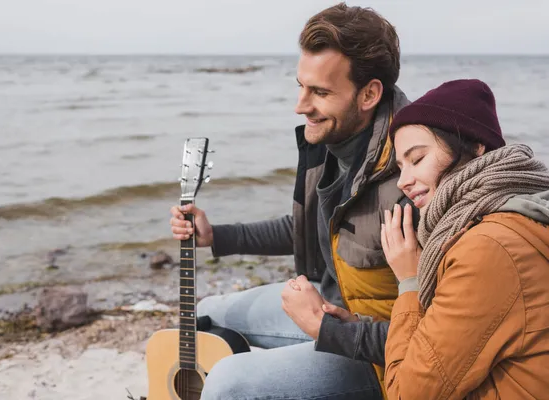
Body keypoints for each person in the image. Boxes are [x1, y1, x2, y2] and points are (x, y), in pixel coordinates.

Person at [170, 4, 410, 399]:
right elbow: (309, 229)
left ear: (369, 93)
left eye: (320, 92)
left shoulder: (414, 173)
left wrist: (328, 330)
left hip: (377, 355)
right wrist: (217, 236)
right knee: (205, 315)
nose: (300, 105)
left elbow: (439, 335)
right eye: (300, 85)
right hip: (327, 306)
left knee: (229, 381)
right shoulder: (332, 141)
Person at [380, 78, 549, 399]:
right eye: (400, 167)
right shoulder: (523, 209)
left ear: (475, 145)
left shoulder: (488, 247)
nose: (403, 180)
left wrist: (410, 281)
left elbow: (407, 394)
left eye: (417, 159)